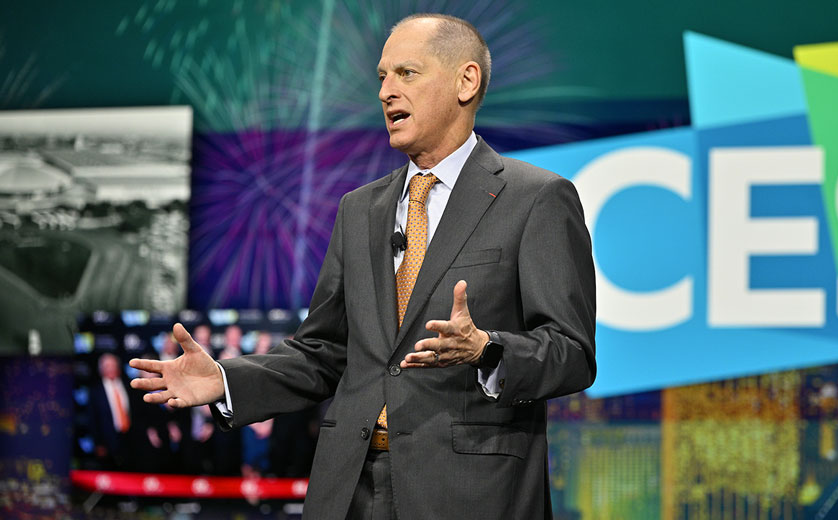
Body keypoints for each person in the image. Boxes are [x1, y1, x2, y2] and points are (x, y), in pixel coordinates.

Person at [131, 13, 596, 519]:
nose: (386, 92)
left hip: (469, 491)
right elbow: (324, 350)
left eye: (406, 73)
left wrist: (487, 349)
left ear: (466, 81)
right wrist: (225, 380)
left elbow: (571, 352)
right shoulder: (360, 209)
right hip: (349, 488)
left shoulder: (536, 198)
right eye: (382, 77)